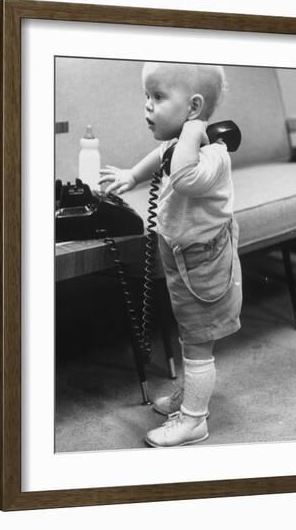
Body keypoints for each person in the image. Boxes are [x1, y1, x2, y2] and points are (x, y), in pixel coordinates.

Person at [99, 61, 242, 447]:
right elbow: (161, 156)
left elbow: (182, 176)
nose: (147, 106)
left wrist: (194, 133)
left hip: (206, 267)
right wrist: (132, 174)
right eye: (147, 95)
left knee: (197, 342)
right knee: (188, 335)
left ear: (194, 109)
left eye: (158, 97)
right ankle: (191, 396)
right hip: (183, 262)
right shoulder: (178, 146)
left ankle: (195, 420)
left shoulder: (213, 157)